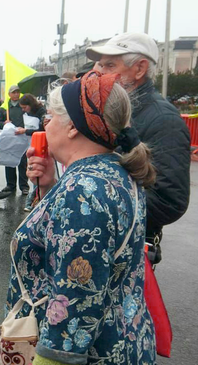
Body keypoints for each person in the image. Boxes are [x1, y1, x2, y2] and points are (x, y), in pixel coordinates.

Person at [0, 71, 156, 364]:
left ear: (72, 127)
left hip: (92, 353)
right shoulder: (115, 171)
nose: (47, 124)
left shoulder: (81, 190)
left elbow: (73, 308)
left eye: (52, 117)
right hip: (125, 339)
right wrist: (48, 187)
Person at [87, 32, 191, 263]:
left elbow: (169, 201)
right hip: (106, 242)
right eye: (100, 65)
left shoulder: (163, 120)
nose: (100, 73)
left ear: (140, 69)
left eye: (110, 65)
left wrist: (95, 203)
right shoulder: (116, 109)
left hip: (128, 250)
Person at [0, 85, 29, 196]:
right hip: (10, 138)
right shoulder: (4, 107)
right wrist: (4, 123)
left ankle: (24, 186)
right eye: (14, 92)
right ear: (9, 94)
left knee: (22, 161)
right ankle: (11, 185)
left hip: (22, 137)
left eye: (17, 92)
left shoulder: (23, 105)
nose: (16, 94)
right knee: (9, 160)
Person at [17, 93, 46, 212]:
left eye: (25, 107)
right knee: (34, 172)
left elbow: (41, 129)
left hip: (41, 146)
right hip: (31, 145)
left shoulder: (41, 112)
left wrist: (26, 131)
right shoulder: (28, 113)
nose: (24, 110)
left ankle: (32, 200)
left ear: (30, 105)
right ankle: (34, 199)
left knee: (38, 173)